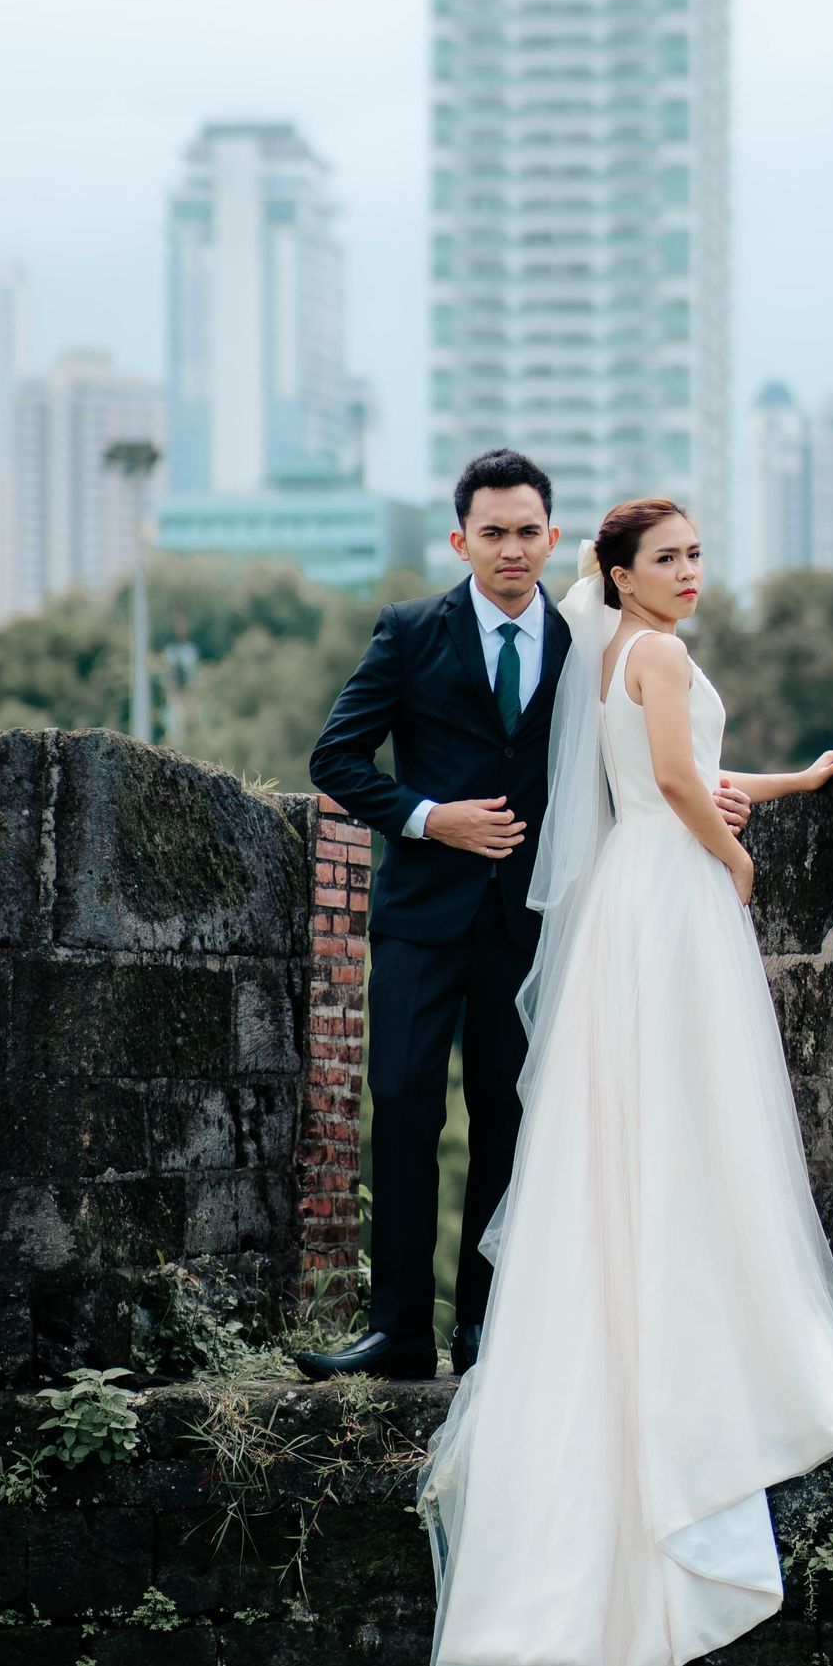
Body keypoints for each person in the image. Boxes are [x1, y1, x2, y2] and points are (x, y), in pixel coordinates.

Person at [415, 497, 833, 1666]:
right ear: (616, 575)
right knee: (693, 1105)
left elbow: (683, 771)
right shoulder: (657, 649)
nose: (688, 574)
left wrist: (791, 782)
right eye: (666, 559)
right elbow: (674, 784)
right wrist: (738, 860)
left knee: (641, 1112)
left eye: (696, 556)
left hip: (633, 888)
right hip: (670, 886)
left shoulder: (617, 652)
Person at [299, 449, 749, 1382]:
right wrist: (431, 817)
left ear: (553, 539)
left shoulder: (589, 641)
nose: (511, 549)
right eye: (493, 533)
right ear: (460, 540)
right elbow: (335, 759)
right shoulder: (409, 632)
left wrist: (720, 796)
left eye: (528, 532)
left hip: (536, 922)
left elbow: (636, 758)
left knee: (510, 1116)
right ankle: (397, 1332)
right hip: (421, 915)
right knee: (405, 1106)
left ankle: (485, 1327)